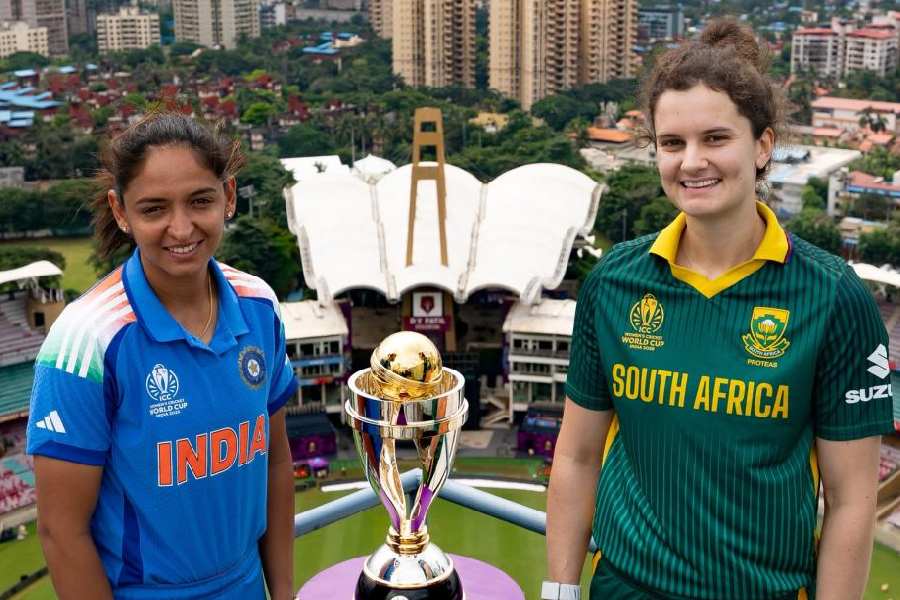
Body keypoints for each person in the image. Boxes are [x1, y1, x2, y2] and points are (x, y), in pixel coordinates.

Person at [544, 19, 894, 600]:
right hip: (624, 588)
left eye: (715, 139)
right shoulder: (614, 283)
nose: (692, 162)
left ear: (762, 146)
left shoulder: (833, 297)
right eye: (672, 143)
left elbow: (852, 499)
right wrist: (559, 592)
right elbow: (578, 457)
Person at [27, 112, 298, 600]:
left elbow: (276, 461)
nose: (181, 228)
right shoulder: (87, 340)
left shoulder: (259, 305)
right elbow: (61, 532)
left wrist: (282, 594)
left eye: (200, 201)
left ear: (229, 197)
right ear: (121, 211)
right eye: (154, 209)